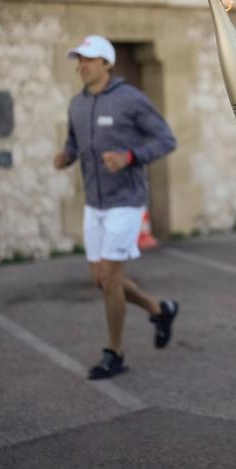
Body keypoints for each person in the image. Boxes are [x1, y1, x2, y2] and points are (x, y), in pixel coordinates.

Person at [54, 35, 179, 380]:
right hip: (95, 203)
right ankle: (160, 310)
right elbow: (73, 144)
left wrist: (129, 157)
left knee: (110, 278)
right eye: (79, 59)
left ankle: (115, 352)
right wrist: (65, 157)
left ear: (107, 63)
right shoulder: (77, 105)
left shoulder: (130, 99)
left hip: (126, 201)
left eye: (89, 59)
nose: (82, 65)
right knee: (102, 279)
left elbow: (167, 140)